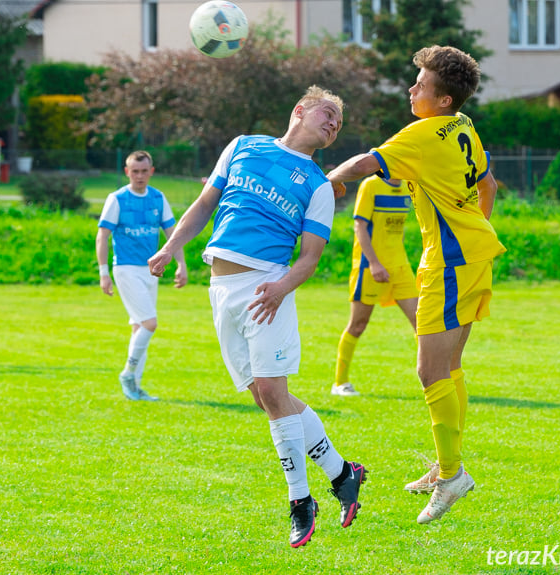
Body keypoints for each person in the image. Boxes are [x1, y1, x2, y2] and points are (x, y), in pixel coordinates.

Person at [148, 86, 366, 548]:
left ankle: (300, 501)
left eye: (338, 124)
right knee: (264, 399)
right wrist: (172, 246)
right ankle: (343, 472)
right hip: (220, 288)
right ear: (299, 111)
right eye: (327, 114)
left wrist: (282, 288)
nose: (332, 125)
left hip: (268, 286)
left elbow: (310, 256)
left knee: (272, 390)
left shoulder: (319, 185)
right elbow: (206, 203)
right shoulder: (243, 146)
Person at [326, 46, 506, 525]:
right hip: (475, 253)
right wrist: (472, 227)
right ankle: (449, 465)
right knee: (450, 367)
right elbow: (488, 183)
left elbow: (366, 161)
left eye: (420, 85)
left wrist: (322, 184)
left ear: (443, 100)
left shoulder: (424, 132)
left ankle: (451, 475)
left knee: (430, 372)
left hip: (448, 263)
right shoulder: (463, 123)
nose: (411, 90)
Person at [97, 150, 188, 401]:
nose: (139, 176)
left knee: (139, 327)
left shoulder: (158, 198)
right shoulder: (117, 199)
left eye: (143, 171)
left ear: (151, 171)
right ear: (127, 172)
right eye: (134, 171)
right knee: (150, 323)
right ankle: (127, 374)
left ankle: (134, 387)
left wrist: (182, 264)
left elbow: (173, 235)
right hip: (126, 269)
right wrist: (104, 273)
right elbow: (102, 236)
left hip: (151, 271)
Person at [332, 175, 418, 396]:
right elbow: (359, 226)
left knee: (423, 324)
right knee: (358, 325)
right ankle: (340, 383)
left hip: (401, 266)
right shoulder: (371, 185)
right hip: (369, 267)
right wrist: (374, 263)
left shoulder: (409, 187)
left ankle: (434, 380)